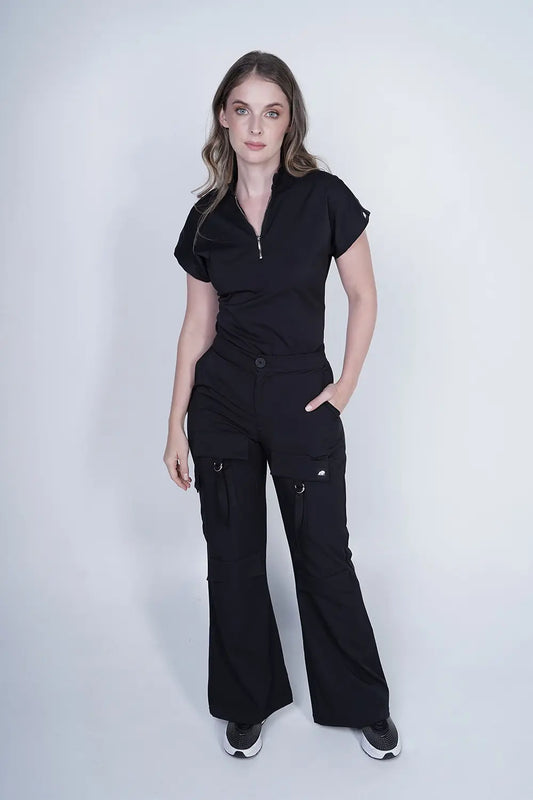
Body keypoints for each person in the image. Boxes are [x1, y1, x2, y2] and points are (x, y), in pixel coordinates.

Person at [164, 50, 402, 761]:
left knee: (323, 557)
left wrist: (345, 386)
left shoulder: (324, 196)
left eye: (270, 112)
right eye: (242, 110)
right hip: (222, 404)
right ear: (223, 117)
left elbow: (363, 295)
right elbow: (197, 327)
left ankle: (360, 702)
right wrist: (174, 423)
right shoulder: (206, 218)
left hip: (302, 399)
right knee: (232, 560)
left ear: (288, 119)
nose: (255, 125)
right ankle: (246, 701)